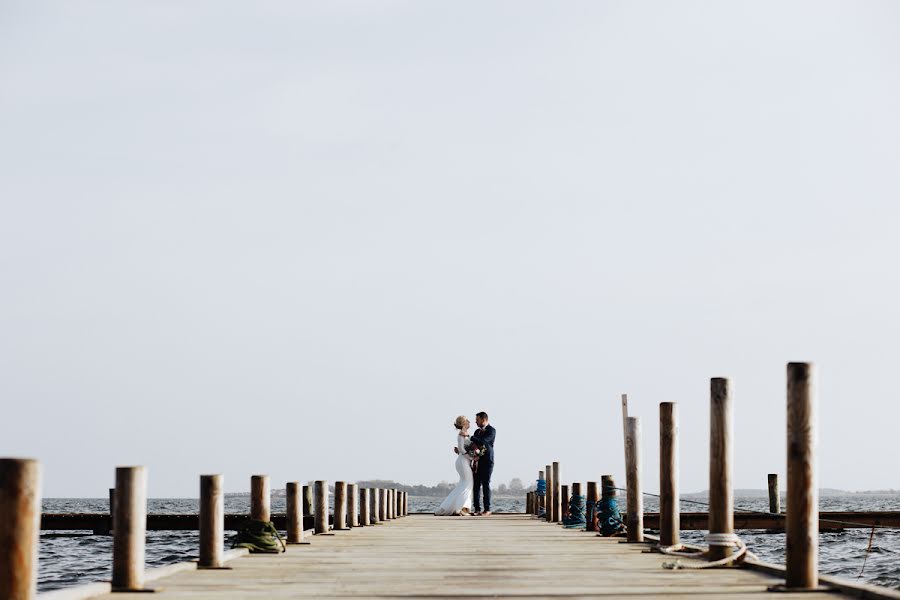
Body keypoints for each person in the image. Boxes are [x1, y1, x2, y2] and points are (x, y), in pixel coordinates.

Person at [434, 415, 474, 516]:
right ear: (464, 423)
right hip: (463, 461)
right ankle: (461, 508)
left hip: (463, 460)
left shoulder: (465, 434)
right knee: (468, 483)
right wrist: (471, 457)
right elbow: (461, 448)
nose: (469, 422)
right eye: (467, 421)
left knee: (462, 484)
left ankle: (449, 507)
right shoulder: (462, 434)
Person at [470, 411, 496, 516]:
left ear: (484, 419)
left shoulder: (491, 430)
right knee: (476, 485)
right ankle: (476, 509)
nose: (475, 422)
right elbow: (473, 445)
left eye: (477, 420)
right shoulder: (476, 432)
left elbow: (484, 441)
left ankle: (487, 509)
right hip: (477, 461)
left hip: (487, 461)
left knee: (486, 484)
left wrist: (471, 437)